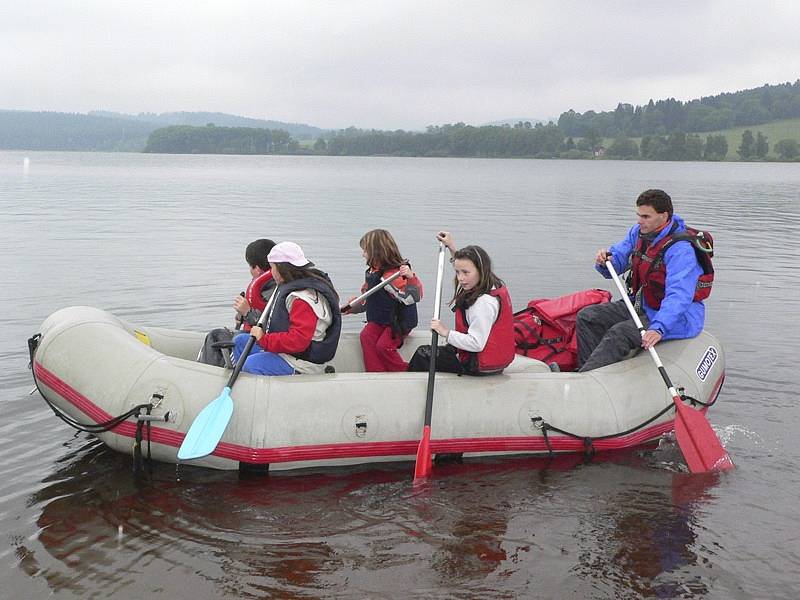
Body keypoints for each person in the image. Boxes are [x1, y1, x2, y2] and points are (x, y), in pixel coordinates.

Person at [576, 189, 705, 372]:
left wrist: (658, 327)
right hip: (644, 304)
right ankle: (588, 371)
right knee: (588, 317)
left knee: (620, 333)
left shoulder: (681, 251)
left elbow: (679, 295)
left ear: (664, 216)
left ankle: (585, 379)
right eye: (638, 215)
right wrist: (607, 261)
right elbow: (620, 256)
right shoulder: (638, 233)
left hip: (676, 317)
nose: (639, 221)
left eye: (646, 216)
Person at [408, 231, 515, 375]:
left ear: (481, 270)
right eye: (457, 272)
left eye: (465, 273)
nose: (460, 278)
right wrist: (452, 248)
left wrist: (445, 331)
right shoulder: (491, 284)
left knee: (422, 354)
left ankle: (409, 388)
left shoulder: (482, 304)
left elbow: (476, 343)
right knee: (447, 347)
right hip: (487, 358)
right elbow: (465, 265)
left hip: (477, 364)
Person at [232, 241, 341, 375]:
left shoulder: (302, 299)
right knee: (240, 341)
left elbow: (298, 341)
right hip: (287, 353)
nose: (271, 272)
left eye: (272, 267)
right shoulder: (287, 286)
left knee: (252, 364)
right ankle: (242, 385)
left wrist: (263, 339)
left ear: (281, 268)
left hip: (301, 362)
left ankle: (258, 391)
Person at [344, 229, 423, 372]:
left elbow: (413, 297)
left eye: (365, 251)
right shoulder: (373, 273)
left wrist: (411, 278)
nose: (363, 254)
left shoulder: (393, 277)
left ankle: (405, 371)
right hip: (381, 320)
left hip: (398, 322)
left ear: (376, 252)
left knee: (383, 346)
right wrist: (352, 307)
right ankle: (375, 372)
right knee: (366, 336)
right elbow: (368, 300)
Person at [197, 238, 276, 367]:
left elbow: (272, 327)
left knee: (215, 335)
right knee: (219, 336)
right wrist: (242, 316)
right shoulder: (267, 287)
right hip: (256, 338)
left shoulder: (275, 291)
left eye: (250, 266)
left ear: (256, 268)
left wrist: (248, 313)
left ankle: (208, 373)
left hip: (264, 342)